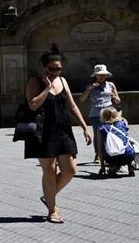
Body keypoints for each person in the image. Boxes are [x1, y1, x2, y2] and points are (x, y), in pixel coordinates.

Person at [24, 45, 92, 224]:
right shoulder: (35, 82)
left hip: (63, 130)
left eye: (59, 68)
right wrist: (46, 88)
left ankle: (48, 196)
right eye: (52, 68)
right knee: (49, 170)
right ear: (44, 67)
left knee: (70, 170)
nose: (55, 72)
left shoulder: (63, 81)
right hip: (43, 132)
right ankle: (52, 210)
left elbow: (72, 106)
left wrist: (85, 127)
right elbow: (32, 105)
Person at [79, 64, 121, 170]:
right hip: (95, 113)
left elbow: (118, 101)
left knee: (111, 133)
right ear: (95, 76)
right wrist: (89, 89)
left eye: (103, 75)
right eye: (99, 75)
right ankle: (98, 153)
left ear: (106, 75)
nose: (102, 77)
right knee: (98, 134)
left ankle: (112, 151)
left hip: (109, 113)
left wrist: (115, 97)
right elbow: (82, 99)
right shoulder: (90, 86)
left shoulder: (111, 85)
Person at [98, 107, 135, 177]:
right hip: (128, 157)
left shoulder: (101, 127)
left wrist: (102, 167)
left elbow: (100, 150)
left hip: (112, 159)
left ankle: (112, 167)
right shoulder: (123, 123)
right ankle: (130, 168)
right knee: (128, 144)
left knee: (105, 148)